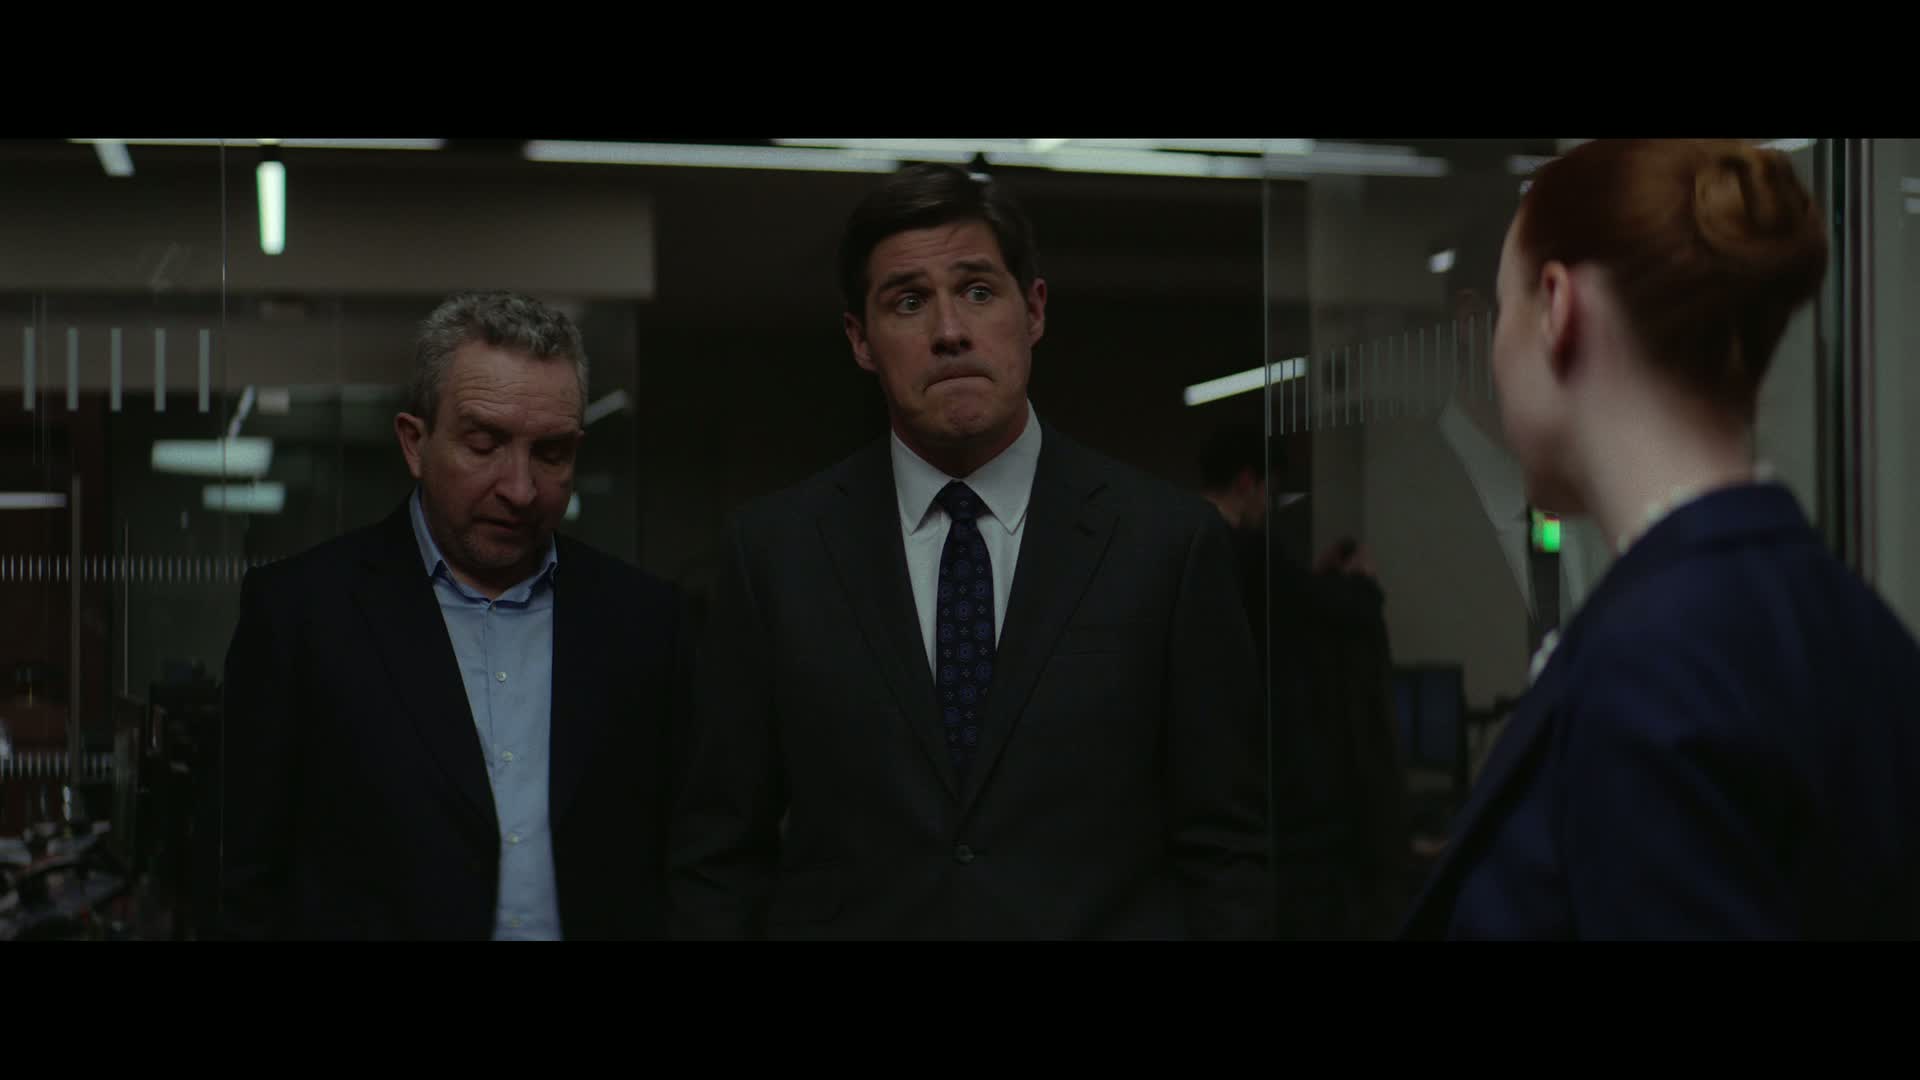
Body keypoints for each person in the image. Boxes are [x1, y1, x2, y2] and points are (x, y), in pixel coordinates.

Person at [671, 163, 1270, 940]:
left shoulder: (1167, 544)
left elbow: (1226, 853)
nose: (950, 330)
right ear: (860, 339)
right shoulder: (775, 554)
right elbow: (720, 857)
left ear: (1035, 310)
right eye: (908, 301)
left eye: (979, 291)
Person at [1400, 139, 1920, 939]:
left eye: (1504, 313)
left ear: (1557, 308)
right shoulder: (1862, 630)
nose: (1496, 360)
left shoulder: (1647, 673)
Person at [208, 291, 685, 940]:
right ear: (415, 442)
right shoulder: (301, 615)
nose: (520, 489)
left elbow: (689, 858)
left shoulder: (647, 622)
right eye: (484, 444)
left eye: (551, 454)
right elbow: (245, 881)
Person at [1199, 424, 1406, 939]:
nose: (1266, 508)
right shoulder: (1250, 553)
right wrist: (1361, 583)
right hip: (1280, 802)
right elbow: (1326, 610)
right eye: (1268, 494)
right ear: (1247, 482)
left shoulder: (1183, 543)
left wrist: (1310, 578)